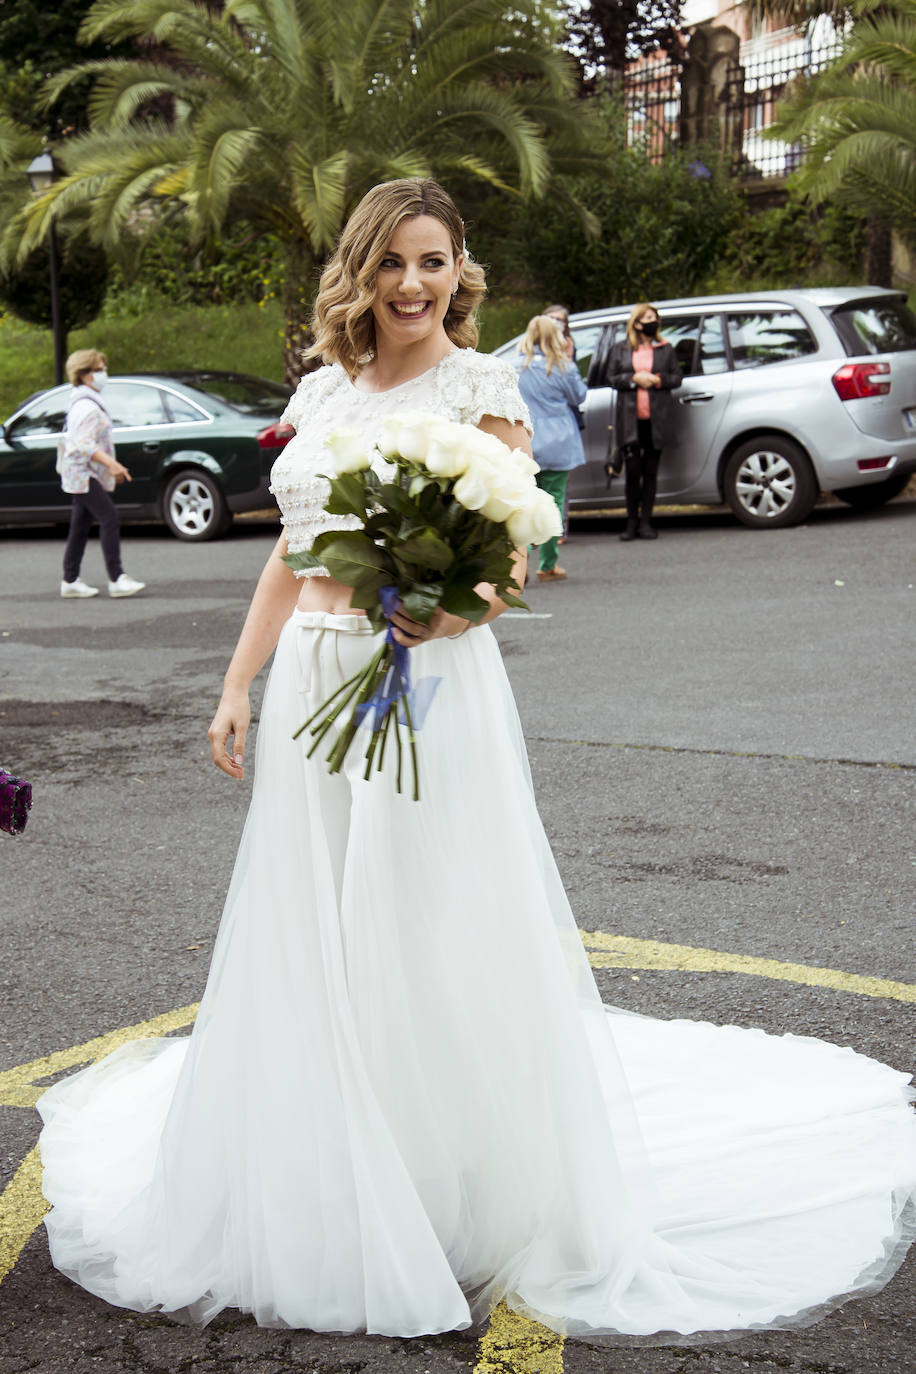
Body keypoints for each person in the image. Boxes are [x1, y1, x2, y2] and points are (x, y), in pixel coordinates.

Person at [36, 180, 916, 1343]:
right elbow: (290, 559)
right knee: (321, 922)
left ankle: (444, 1178)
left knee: (424, 914)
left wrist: (442, 617)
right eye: (394, 261)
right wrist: (237, 682)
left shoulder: (481, 386)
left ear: (462, 272)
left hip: (431, 681)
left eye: (434, 262)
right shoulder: (321, 388)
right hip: (311, 675)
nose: (413, 283)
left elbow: (508, 557)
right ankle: (327, 1157)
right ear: (361, 268)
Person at [57, 349, 146, 598]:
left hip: (81, 474)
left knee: (80, 526)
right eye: (97, 370)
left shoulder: (83, 402)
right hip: (83, 474)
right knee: (110, 518)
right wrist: (112, 464)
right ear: (83, 375)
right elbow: (84, 443)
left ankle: (70, 580)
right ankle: (116, 578)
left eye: (102, 368)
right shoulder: (88, 408)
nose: (102, 374)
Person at [513, 315, 587, 582]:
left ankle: (520, 565)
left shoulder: (515, 366)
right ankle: (548, 563)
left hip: (527, 439)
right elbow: (580, 395)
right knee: (554, 502)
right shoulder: (562, 366)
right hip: (558, 440)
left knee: (523, 502)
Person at [606, 304, 682, 542]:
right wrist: (633, 379)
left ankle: (646, 522)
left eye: (656, 318)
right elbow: (611, 377)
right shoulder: (621, 348)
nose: (654, 321)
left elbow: (677, 377)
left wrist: (657, 380)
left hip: (655, 421)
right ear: (637, 323)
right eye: (649, 318)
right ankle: (631, 522)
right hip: (630, 421)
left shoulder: (665, 348)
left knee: (650, 473)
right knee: (633, 472)